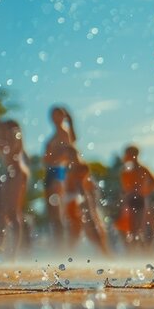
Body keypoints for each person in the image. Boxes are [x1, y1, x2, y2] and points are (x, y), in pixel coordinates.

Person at [0, 119, 30, 255]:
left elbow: (8, 149)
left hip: (16, 174)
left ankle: (13, 252)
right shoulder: (10, 136)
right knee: (0, 212)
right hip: (12, 174)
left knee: (12, 213)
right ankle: (2, 248)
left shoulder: (13, 134)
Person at [63, 146, 111, 255]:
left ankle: (105, 253)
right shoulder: (69, 167)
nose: (67, 157)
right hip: (73, 201)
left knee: (92, 228)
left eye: (70, 155)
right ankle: (68, 255)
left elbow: (83, 187)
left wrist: (88, 204)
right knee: (76, 230)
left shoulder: (80, 167)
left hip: (82, 200)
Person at [43, 107, 76, 247]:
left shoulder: (64, 132)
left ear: (64, 116)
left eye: (58, 115)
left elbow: (68, 154)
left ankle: (62, 248)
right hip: (51, 172)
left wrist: (52, 157)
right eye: (53, 115)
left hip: (58, 172)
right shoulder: (56, 134)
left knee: (58, 212)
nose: (55, 118)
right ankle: (58, 246)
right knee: (52, 213)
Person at [118, 145, 154, 251]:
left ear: (133, 155)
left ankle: (141, 253)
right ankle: (139, 253)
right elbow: (125, 187)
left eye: (127, 154)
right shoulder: (128, 169)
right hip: (132, 200)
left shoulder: (141, 168)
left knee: (138, 228)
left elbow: (153, 182)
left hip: (140, 200)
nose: (125, 156)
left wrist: (143, 191)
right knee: (132, 229)